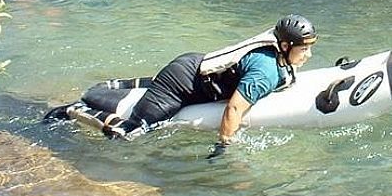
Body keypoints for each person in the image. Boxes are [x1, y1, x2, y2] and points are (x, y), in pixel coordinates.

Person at [104, 14, 318, 157]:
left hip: (194, 67)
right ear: (283, 46)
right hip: (180, 83)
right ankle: (74, 112)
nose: (309, 55)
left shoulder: (279, 57)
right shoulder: (266, 72)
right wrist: (224, 145)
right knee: (131, 133)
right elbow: (234, 109)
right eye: (304, 50)